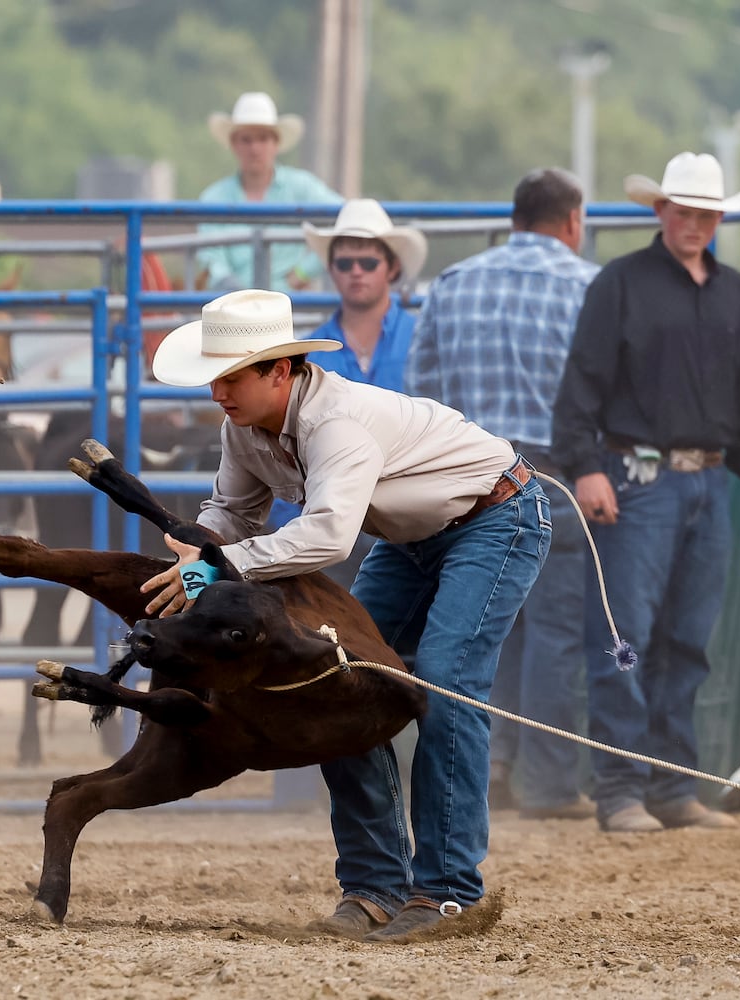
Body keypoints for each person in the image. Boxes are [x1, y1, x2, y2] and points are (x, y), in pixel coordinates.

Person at [142, 289, 549, 942]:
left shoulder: (337, 423)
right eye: (212, 378)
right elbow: (232, 512)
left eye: (231, 377)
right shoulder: (243, 429)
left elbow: (330, 537)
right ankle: (375, 887)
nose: (218, 392)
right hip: (412, 538)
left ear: (280, 370)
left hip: (495, 518)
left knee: (444, 683)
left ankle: (448, 894)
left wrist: (217, 566)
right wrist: (203, 544)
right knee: (336, 679)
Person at [552, 152, 740, 834]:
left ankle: (672, 786)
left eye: (706, 213)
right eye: (684, 210)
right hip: (636, 479)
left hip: (710, 480)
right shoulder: (619, 284)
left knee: (687, 638)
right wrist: (585, 465)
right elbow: (580, 386)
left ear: (717, 218)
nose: (695, 222)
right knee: (626, 637)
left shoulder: (734, 291)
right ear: (661, 212)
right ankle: (621, 787)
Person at [407, 167, 598, 821]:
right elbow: (597, 394)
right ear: (571, 222)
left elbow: (420, 391)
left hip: (462, 470)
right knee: (553, 630)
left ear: (514, 219)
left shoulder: (453, 284)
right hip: (549, 468)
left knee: (477, 623)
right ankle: (545, 781)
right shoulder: (587, 287)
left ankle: (480, 768)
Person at [196, 92, 341, 293]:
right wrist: (233, 291)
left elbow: (347, 220)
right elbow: (211, 259)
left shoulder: (301, 187)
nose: (254, 149)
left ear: (276, 143)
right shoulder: (213, 198)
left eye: (263, 139)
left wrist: (305, 271)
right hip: (234, 307)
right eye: (246, 140)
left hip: (289, 305)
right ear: (234, 144)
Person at [301, 198, 427, 392]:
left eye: (369, 263)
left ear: (393, 268)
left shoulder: (423, 337)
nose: (356, 271)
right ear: (331, 269)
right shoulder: (309, 354)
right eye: (345, 264)